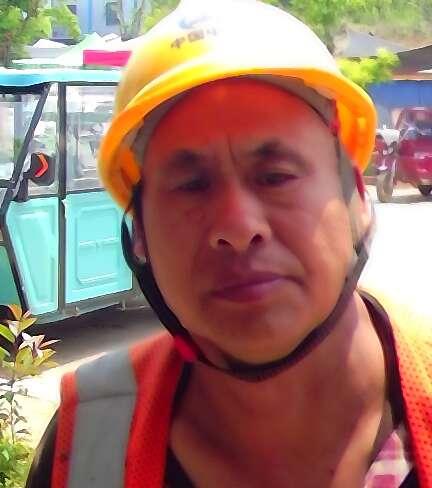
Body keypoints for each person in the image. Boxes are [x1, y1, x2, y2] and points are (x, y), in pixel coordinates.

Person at [27, 0, 432, 487]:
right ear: (141, 237)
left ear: (358, 200)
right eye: (191, 186)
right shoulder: (88, 447)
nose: (237, 227)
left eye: (276, 176)